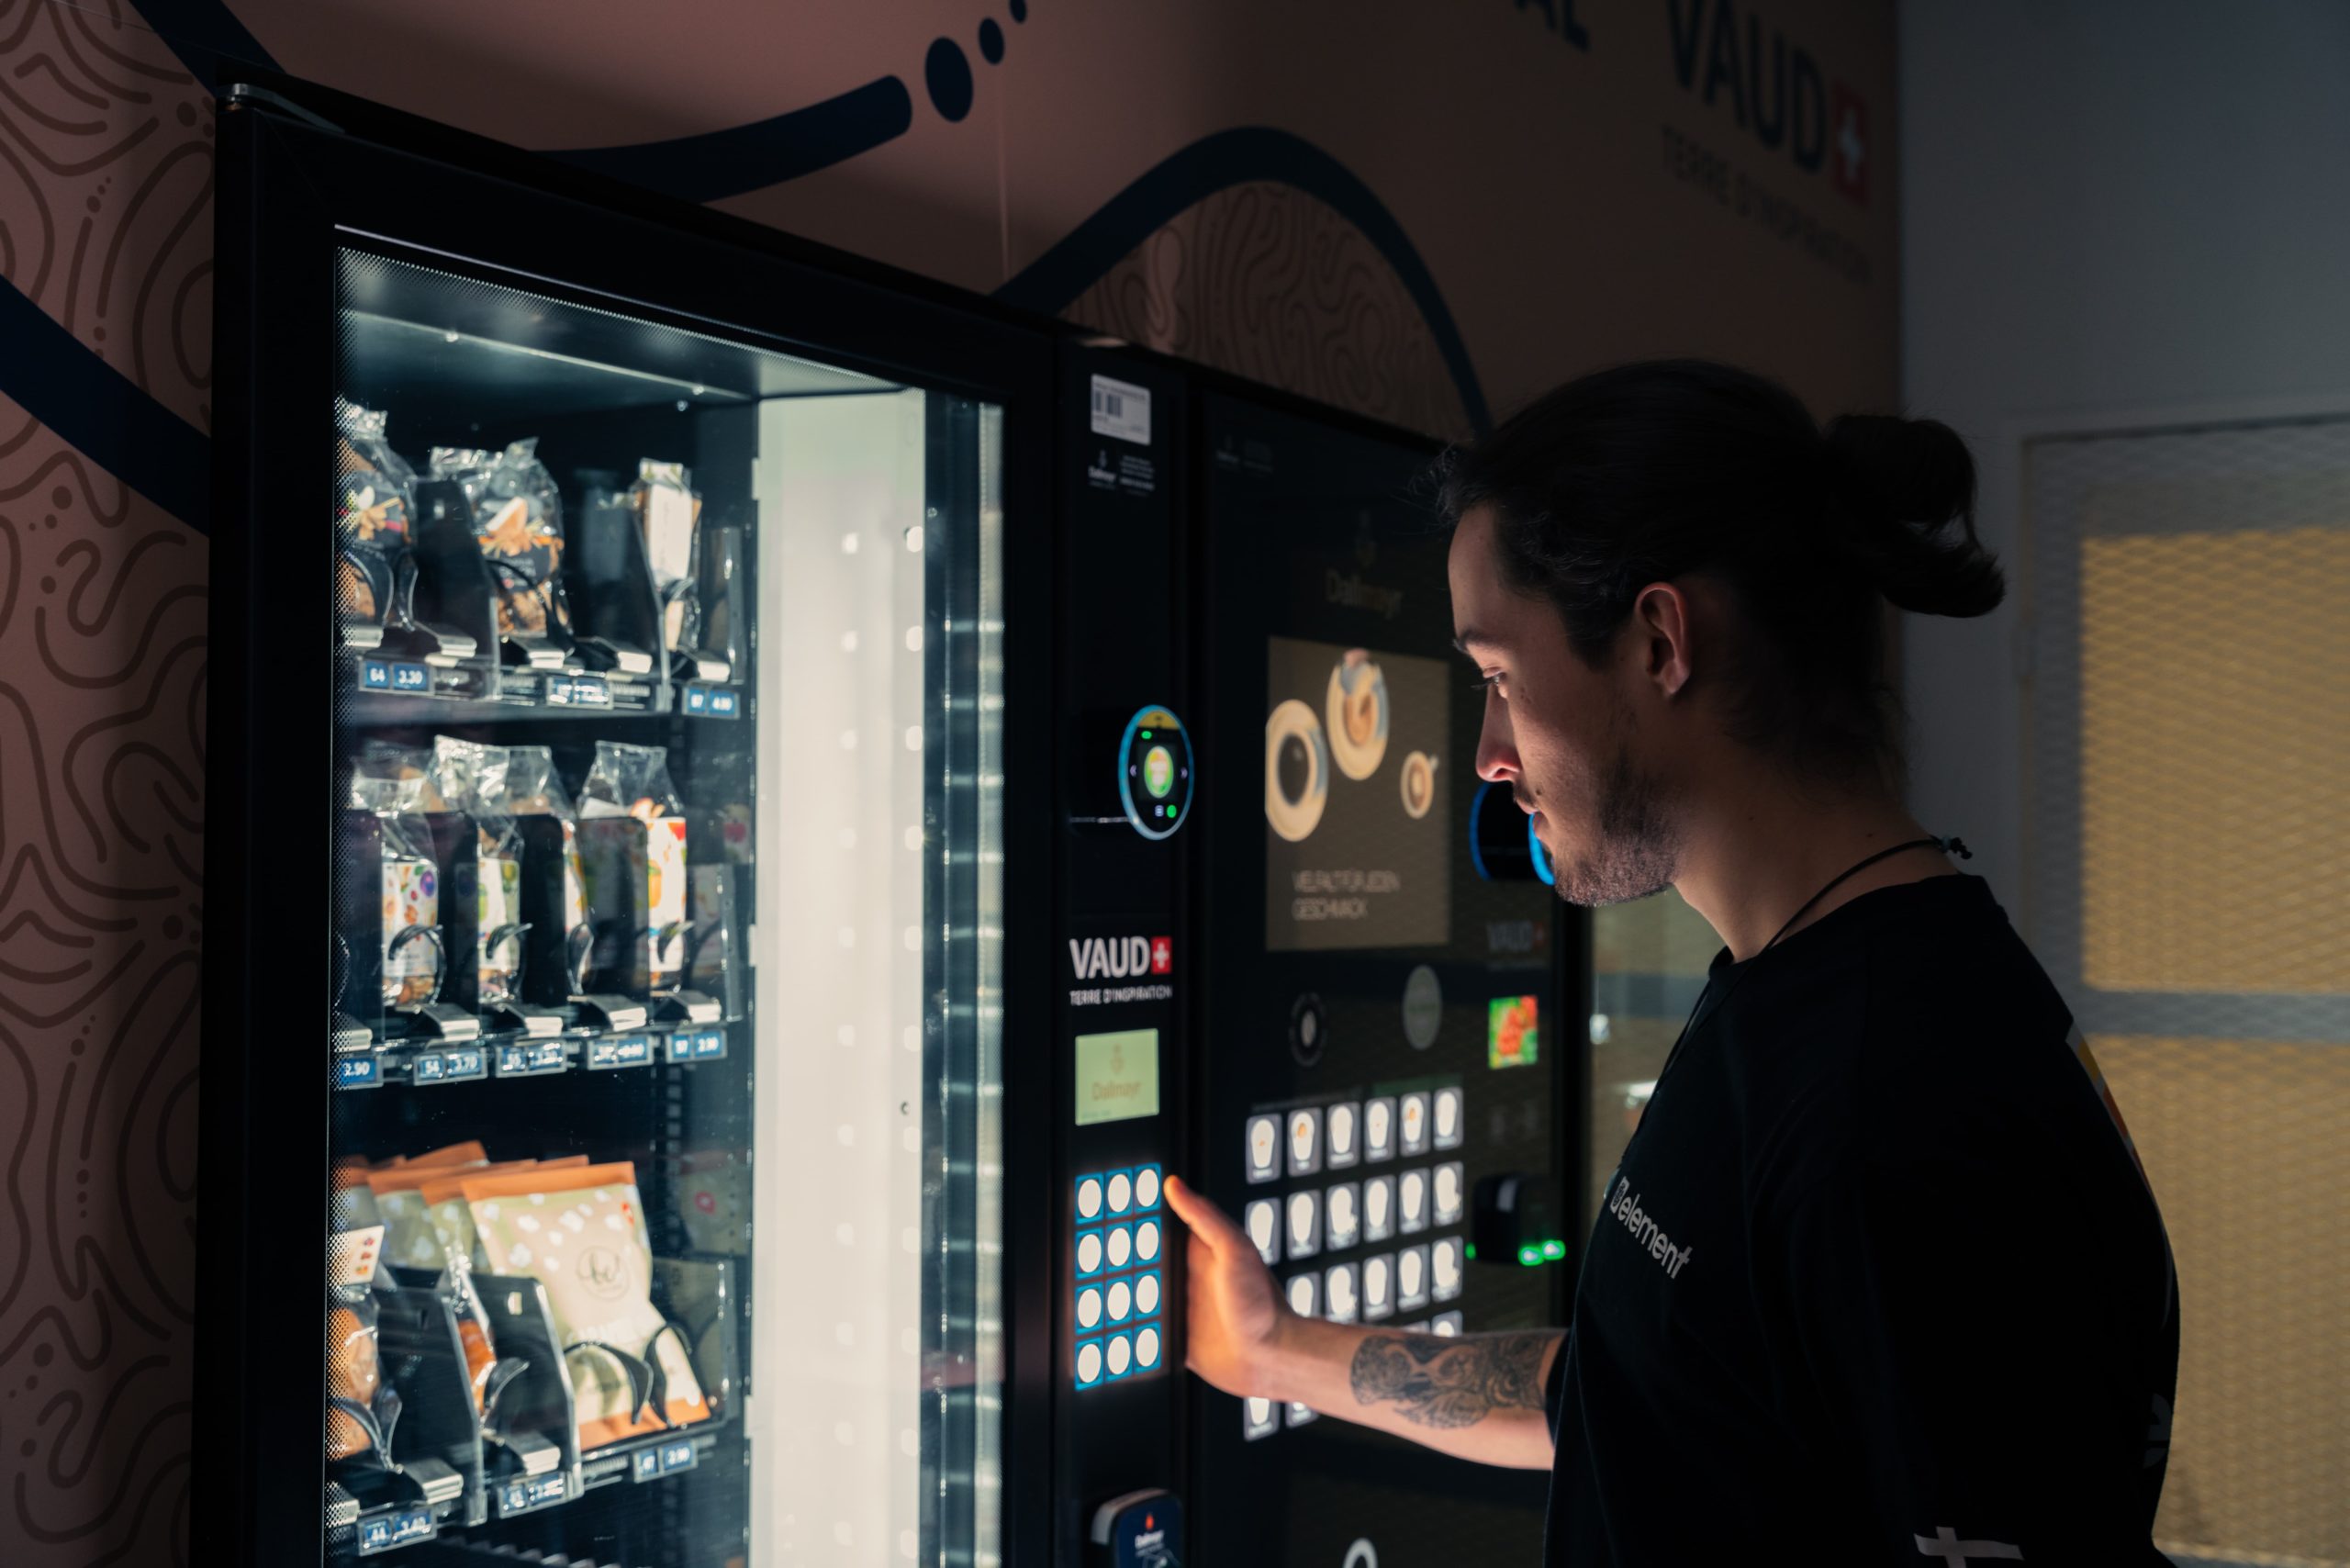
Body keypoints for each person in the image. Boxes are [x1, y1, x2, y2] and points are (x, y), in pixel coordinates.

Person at [1162, 360, 2179, 1564]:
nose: (1486, 751)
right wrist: (1275, 1348)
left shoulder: (1890, 1104)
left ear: (1657, 640)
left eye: (1497, 677)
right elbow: (1649, 1390)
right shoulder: (1804, 992)